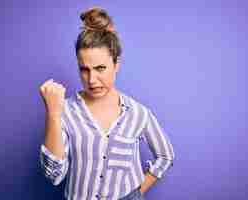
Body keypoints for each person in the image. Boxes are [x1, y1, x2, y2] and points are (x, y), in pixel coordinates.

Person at [39, 7, 174, 200]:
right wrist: (52, 113)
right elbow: (54, 175)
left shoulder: (137, 113)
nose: (92, 79)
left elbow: (165, 156)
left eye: (100, 68)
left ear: (116, 64)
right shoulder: (65, 110)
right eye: (84, 69)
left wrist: (136, 194)